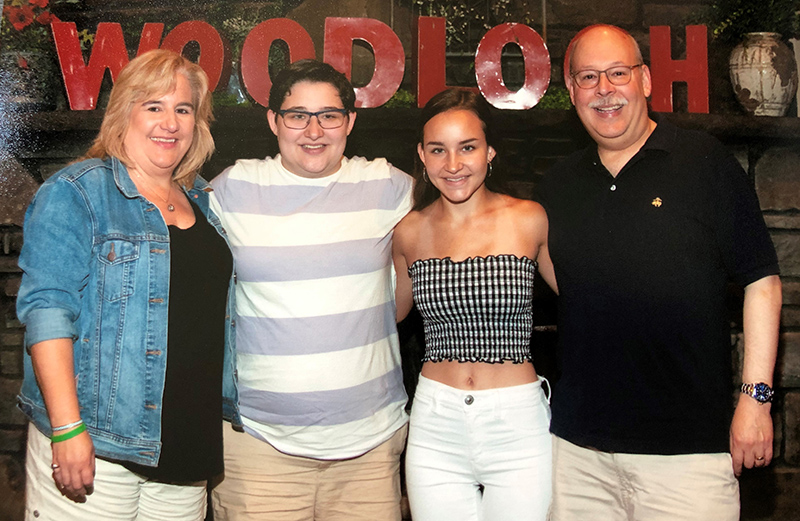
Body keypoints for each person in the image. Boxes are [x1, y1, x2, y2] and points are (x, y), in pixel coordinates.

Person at [535, 24, 782, 521]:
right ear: (572, 92)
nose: (604, 89)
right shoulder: (557, 185)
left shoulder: (705, 163)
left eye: (618, 73)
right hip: (577, 455)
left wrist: (756, 399)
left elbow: (763, 281)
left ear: (646, 80)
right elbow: (562, 278)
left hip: (689, 457)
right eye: (588, 77)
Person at [16, 49, 233, 521]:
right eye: (153, 106)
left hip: (185, 449)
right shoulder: (78, 191)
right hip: (98, 443)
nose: (169, 122)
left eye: (183, 109)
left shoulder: (204, 202)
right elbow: (47, 312)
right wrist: (67, 428)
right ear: (123, 114)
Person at [209, 59, 413, 521]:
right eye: (297, 115)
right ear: (273, 121)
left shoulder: (389, 186)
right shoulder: (234, 188)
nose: (313, 130)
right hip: (259, 450)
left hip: (370, 451)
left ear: (351, 121)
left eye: (329, 115)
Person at [392, 88, 556, 521]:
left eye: (467, 147)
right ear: (422, 158)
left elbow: (590, 301)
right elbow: (386, 315)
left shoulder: (529, 219)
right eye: (438, 150)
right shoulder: (408, 231)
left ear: (490, 152)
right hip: (435, 421)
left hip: (517, 423)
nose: (453, 164)